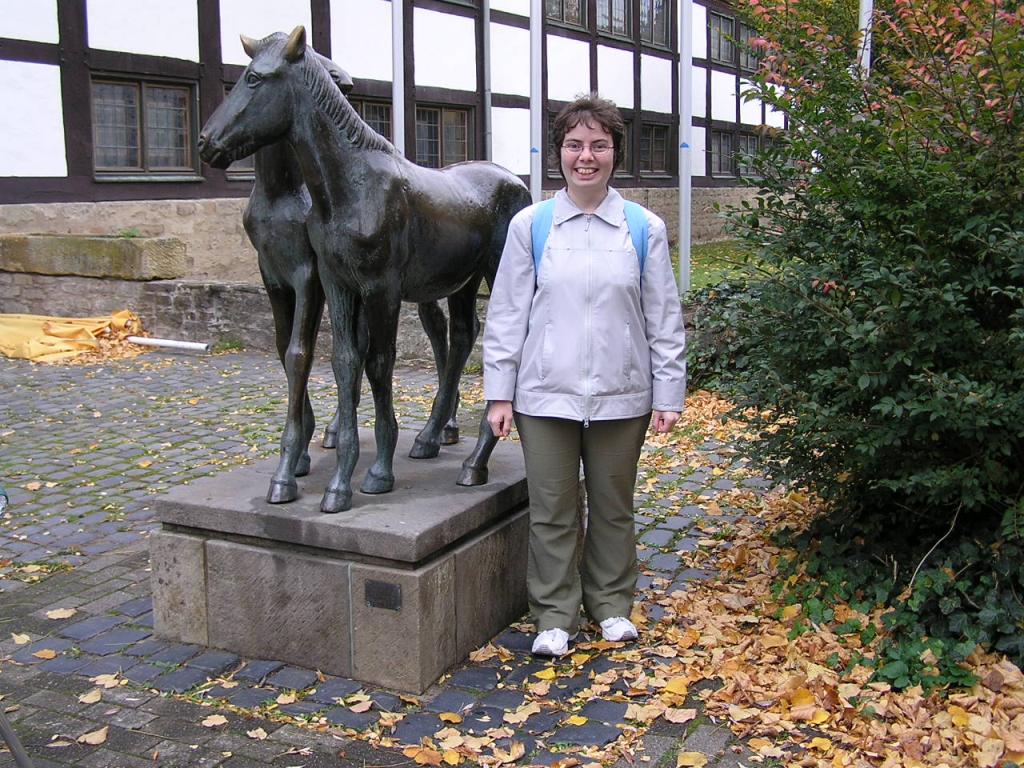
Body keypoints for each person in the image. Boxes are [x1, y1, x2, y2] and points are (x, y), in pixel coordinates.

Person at [482, 93, 687, 657]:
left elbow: (663, 317)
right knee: (552, 510)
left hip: (623, 397)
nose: (586, 156)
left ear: (615, 152)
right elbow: (507, 313)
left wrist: (668, 393)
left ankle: (611, 605)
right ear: (560, 153)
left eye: (598, 145)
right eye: (574, 145)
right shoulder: (532, 226)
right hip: (544, 397)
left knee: (613, 507)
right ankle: (554, 615)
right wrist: (499, 393)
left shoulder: (643, 228)